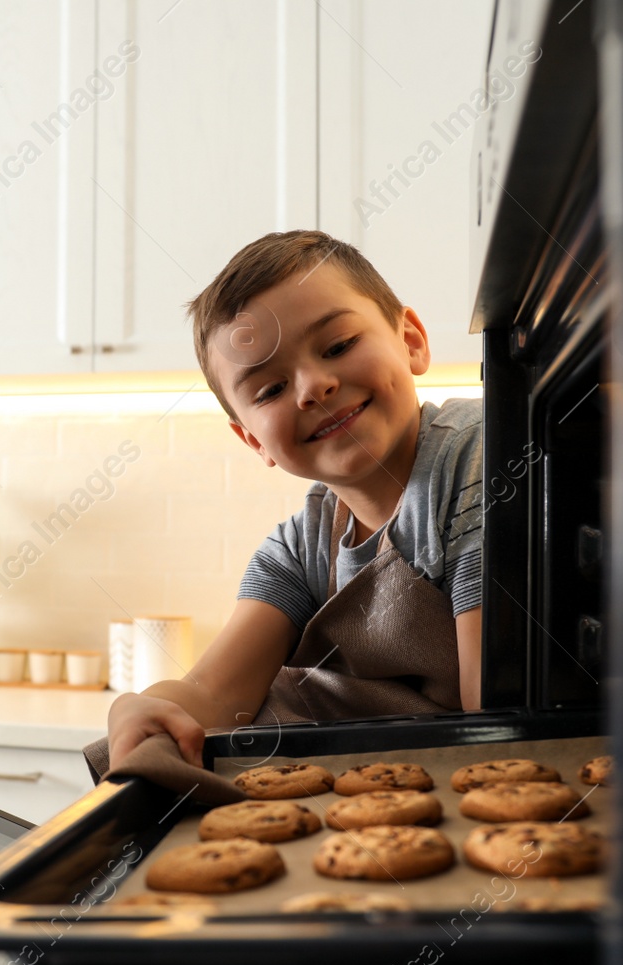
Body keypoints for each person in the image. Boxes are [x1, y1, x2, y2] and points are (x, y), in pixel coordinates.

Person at [106, 230, 483, 767]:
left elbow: (496, 710)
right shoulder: (301, 545)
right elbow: (215, 697)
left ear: (412, 341)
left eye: (338, 346)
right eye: (270, 390)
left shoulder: (477, 460)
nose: (311, 387)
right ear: (254, 440)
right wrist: (138, 708)